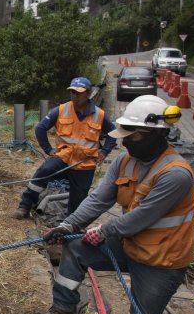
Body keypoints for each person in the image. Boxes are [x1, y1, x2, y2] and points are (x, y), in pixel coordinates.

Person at [25, 95, 194, 314]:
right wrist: (68, 224)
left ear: (158, 133)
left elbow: (140, 218)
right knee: (76, 248)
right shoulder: (125, 161)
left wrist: (104, 231)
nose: (127, 141)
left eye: (134, 135)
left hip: (162, 260)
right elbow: (98, 200)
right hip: (132, 245)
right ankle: (63, 313)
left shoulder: (176, 174)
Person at [13, 76, 117, 219]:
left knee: (79, 199)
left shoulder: (99, 114)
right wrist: (48, 149)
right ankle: (24, 207)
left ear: (88, 93)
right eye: (72, 92)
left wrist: (105, 151)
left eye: (78, 93)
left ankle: (70, 226)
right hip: (64, 157)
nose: (75, 96)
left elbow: (113, 134)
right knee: (44, 171)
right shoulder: (61, 110)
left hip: (84, 163)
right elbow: (40, 128)